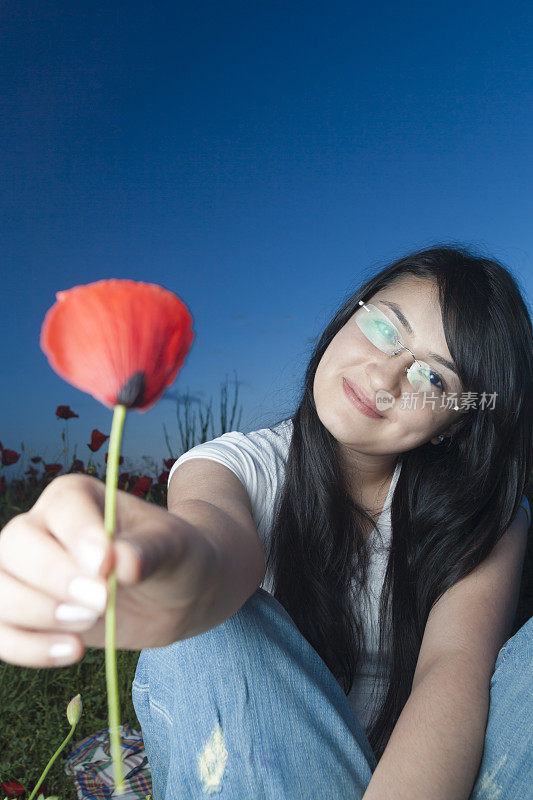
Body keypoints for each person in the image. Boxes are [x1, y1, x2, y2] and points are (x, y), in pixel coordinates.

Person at [0, 245, 530, 799]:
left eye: (434, 379)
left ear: (453, 424)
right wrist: (159, 564)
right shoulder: (234, 464)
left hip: (432, 768)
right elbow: (213, 541)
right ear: (351, 312)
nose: (385, 374)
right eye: (383, 327)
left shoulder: (485, 513)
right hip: (269, 767)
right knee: (218, 621)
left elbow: (451, 672)